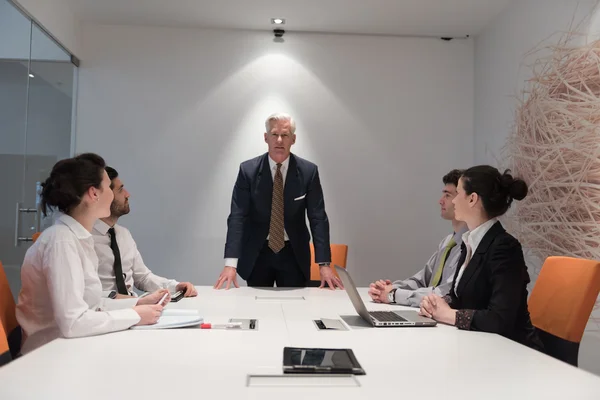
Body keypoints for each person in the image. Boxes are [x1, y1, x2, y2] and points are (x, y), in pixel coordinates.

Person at [16, 153, 170, 354]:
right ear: (93, 193)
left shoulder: (78, 238)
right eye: (108, 187)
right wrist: (135, 314)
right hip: (49, 354)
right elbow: (74, 322)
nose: (114, 194)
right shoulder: (61, 240)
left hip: (69, 347)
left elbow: (92, 304)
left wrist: (139, 303)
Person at [419, 166, 543, 350]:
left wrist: (447, 315)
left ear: (472, 199)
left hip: (513, 353)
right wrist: (439, 303)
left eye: (457, 193)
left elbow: (500, 319)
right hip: (480, 346)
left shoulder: (505, 247)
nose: (453, 201)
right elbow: (461, 296)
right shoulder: (469, 242)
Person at [214, 113, 342, 289]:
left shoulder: (308, 172)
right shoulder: (247, 171)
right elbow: (238, 217)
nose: (279, 140)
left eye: (285, 135)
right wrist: (230, 264)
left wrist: (324, 264)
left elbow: (318, 218)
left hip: (294, 254)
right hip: (258, 253)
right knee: (256, 308)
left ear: (293, 139)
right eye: (274, 134)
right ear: (266, 138)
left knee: (296, 309)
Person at [92, 167, 197, 298]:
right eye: (120, 189)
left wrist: (174, 286)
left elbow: (142, 277)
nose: (127, 194)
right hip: (106, 311)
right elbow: (88, 294)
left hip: (134, 308)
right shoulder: (85, 238)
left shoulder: (123, 234)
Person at [368, 169, 467, 307]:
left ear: (464, 199)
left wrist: (394, 295)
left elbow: (445, 293)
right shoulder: (447, 242)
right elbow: (422, 280)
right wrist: (389, 289)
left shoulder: (469, 246)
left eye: (447, 195)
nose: (440, 201)